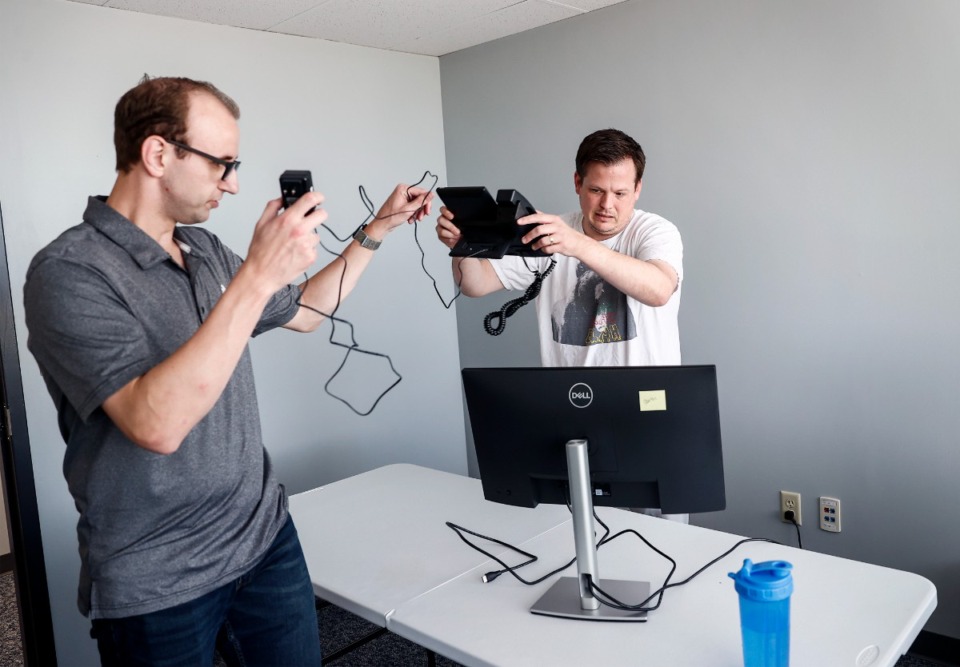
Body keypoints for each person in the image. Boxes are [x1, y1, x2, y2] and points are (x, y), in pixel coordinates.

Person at [23, 75, 432, 666]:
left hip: (265, 543)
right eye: (222, 165)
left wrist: (378, 231)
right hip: (156, 578)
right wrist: (259, 275)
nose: (234, 185)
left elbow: (308, 313)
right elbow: (155, 424)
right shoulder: (69, 272)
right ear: (158, 153)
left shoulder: (206, 251)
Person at [435, 128, 685, 521]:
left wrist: (575, 244)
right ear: (577, 183)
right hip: (575, 412)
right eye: (596, 190)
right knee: (586, 531)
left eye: (620, 193)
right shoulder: (549, 234)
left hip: (648, 411)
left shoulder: (654, 231)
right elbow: (474, 283)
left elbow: (658, 288)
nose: (607, 205)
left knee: (665, 543)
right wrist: (463, 246)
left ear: (637, 190)